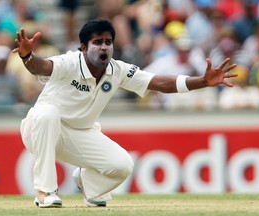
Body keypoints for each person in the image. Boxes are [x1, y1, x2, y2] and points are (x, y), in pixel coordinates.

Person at [13, 19, 237, 208]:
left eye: (108, 42)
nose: (103, 47)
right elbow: (41, 67)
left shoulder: (117, 70)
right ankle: (44, 191)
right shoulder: (69, 62)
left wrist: (202, 82)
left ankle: (87, 182)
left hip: (78, 134)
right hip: (39, 130)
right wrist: (27, 57)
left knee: (122, 165)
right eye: (97, 42)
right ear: (83, 47)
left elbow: (157, 81)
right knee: (48, 113)